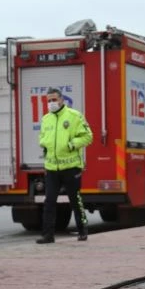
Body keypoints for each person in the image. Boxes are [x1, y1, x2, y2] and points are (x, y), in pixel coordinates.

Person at [35, 88, 93, 244]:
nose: (51, 103)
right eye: (49, 100)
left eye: (54, 100)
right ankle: (48, 235)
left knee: (75, 200)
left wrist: (72, 145)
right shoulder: (46, 119)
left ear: (61, 100)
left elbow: (88, 136)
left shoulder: (74, 116)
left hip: (71, 167)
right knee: (49, 201)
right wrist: (43, 144)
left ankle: (82, 230)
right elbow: (42, 137)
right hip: (52, 168)